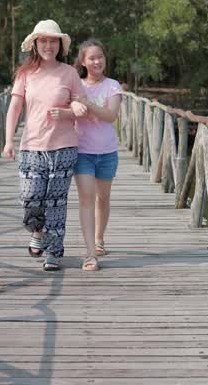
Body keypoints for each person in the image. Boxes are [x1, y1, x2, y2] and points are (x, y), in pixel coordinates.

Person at [2, 19, 88, 272]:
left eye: (53, 41)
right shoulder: (25, 74)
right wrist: (9, 141)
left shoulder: (69, 73)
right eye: (44, 41)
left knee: (56, 202)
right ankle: (37, 231)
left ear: (59, 45)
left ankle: (54, 253)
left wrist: (69, 112)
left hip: (64, 147)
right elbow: (14, 108)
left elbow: (80, 106)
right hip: (31, 147)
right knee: (30, 198)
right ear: (35, 44)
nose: (48, 45)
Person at [72, 39, 123, 272]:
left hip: (107, 152)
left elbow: (111, 115)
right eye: (91, 58)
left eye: (100, 56)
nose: (96, 61)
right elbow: (69, 109)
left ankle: (100, 239)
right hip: (82, 151)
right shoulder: (76, 86)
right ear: (83, 61)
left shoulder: (113, 86)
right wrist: (75, 106)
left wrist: (88, 104)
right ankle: (90, 252)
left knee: (103, 198)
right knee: (86, 198)